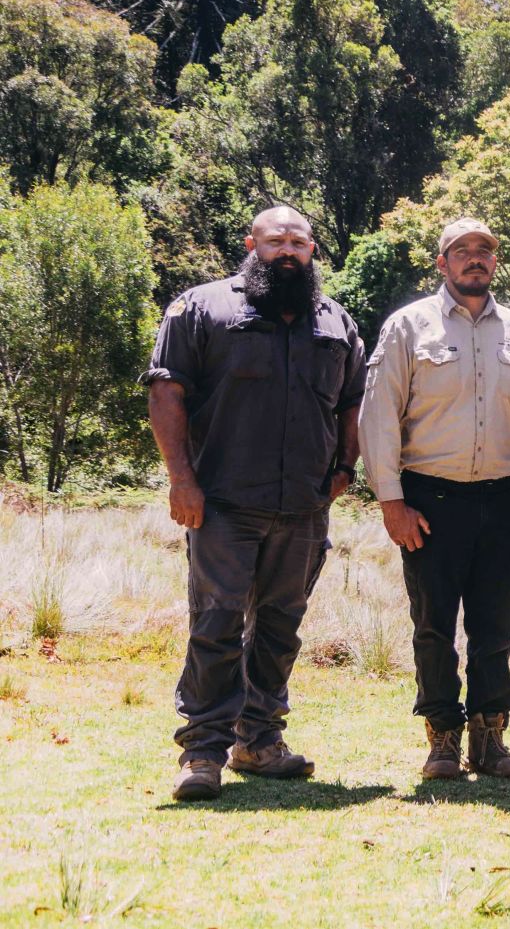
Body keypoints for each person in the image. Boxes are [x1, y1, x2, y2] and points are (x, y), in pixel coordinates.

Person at [144, 206, 365, 801]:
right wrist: (181, 480)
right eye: (275, 241)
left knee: (279, 625)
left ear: (313, 250)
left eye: (298, 241)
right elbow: (166, 392)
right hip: (222, 501)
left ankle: (260, 740)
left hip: (303, 505)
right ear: (252, 245)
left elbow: (353, 403)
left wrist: (345, 467)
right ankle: (203, 750)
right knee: (216, 621)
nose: (287, 250)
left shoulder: (334, 320)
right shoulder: (201, 308)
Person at [359, 219, 510, 781]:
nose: (474, 259)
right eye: (461, 251)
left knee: (495, 624)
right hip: (429, 502)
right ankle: (441, 737)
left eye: (484, 251)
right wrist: (391, 501)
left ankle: (490, 738)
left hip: (502, 499)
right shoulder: (408, 327)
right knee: (434, 623)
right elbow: (378, 418)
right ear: (441, 264)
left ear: (495, 262)